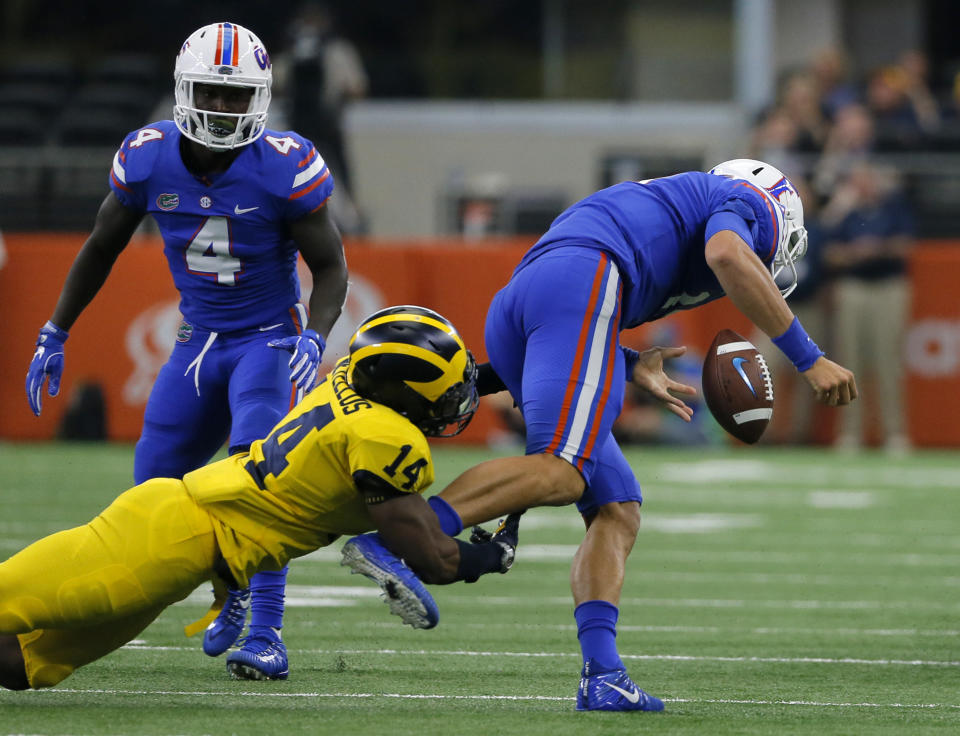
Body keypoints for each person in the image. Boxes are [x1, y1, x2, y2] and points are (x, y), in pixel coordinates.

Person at [353, 159, 858, 712]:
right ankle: (404, 537)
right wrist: (809, 360)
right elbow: (727, 254)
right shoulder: (744, 201)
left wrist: (628, 361)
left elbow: (576, 293)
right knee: (561, 470)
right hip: (581, 282)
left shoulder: (679, 201)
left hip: (534, 297)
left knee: (618, 507)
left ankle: (604, 674)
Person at [23, 23, 349, 680]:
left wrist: (314, 336)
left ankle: (265, 628)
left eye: (237, 96)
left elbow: (332, 267)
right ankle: (222, 590)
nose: (225, 108)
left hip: (267, 339)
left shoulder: (285, 164)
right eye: (212, 93)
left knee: (259, 474)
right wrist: (55, 330)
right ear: (183, 90)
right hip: (198, 342)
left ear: (259, 98)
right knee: (153, 488)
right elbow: (100, 249)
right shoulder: (148, 157)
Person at [0, 306, 518, 690]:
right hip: (170, 537)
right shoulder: (386, 440)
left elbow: (409, 383)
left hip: (185, 541)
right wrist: (493, 555)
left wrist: (505, 376)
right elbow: (434, 557)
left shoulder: (348, 379)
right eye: (448, 393)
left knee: (26, 665)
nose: (459, 401)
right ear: (403, 393)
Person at [821, 161, 913, 453]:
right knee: (850, 362)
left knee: (889, 362)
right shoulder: (844, 213)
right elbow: (826, 251)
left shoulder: (893, 206)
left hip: (888, 287)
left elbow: (906, 245)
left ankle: (894, 432)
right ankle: (850, 433)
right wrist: (853, 254)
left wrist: (877, 248)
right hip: (854, 287)